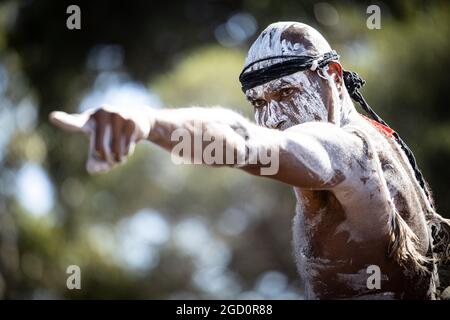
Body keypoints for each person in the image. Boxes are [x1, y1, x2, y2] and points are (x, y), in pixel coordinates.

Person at [49, 22, 450, 299]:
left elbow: (244, 140)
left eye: (286, 94)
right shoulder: (382, 141)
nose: (273, 118)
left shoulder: (343, 147)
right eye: (258, 102)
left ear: (331, 74)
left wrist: (147, 122)